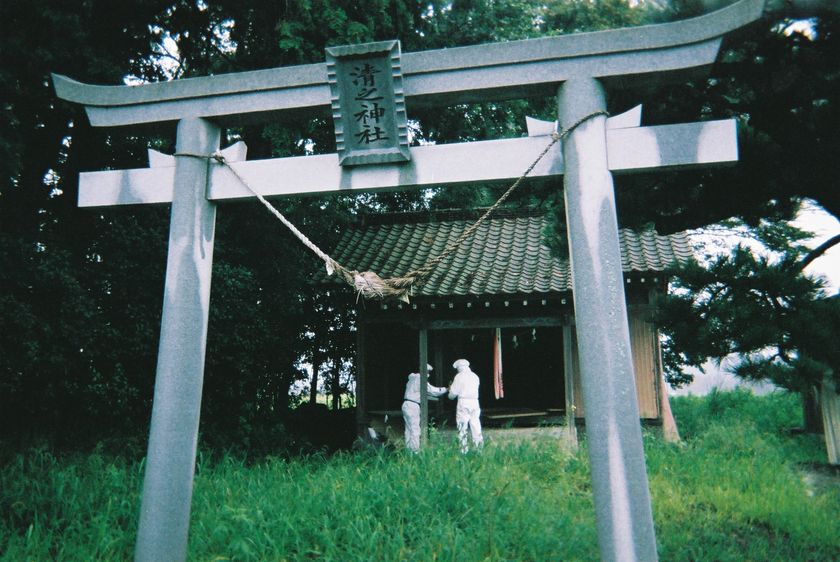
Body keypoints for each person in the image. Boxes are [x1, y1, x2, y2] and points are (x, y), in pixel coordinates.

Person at [402, 364, 447, 452]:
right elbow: (432, 391)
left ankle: (408, 450)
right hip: (413, 405)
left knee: (408, 429)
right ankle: (415, 451)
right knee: (415, 429)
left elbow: (420, 393)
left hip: (406, 404)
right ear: (427, 372)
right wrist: (446, 389)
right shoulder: (420, 379)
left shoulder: (412, 378)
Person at [448, 358, 483, 452]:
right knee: (476, 425)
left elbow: (453, 394)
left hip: (463, 402)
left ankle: (463, 450)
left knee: (462, 426)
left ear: (459, 368)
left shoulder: (459, 376)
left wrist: (449, 392)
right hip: (475, 402)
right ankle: (479, 448)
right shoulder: (475, 376)